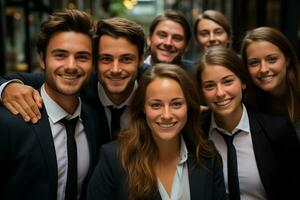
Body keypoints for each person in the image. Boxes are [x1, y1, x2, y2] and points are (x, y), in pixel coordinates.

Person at [0, 9, 108, 200]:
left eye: (82, 57)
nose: (71, 66)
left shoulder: (96, 122)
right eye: (60, 55)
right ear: (42, 59)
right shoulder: (8, 123)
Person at [87, 63, 226, 200]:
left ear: (188, 107)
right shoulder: (114, 158)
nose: (166, 115)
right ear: (143, 108)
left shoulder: (207, 156)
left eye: (176, 104)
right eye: (156, 105)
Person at [0, 17, 145, 140]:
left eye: (126, 59)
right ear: (94, 62)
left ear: (141, 60)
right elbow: (9, 79)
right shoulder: (80, 82)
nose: (115, 70)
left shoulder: (152, 86)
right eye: (106, 59)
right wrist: (7, 88)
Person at [196, 47, 300, 200]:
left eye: (228, 81)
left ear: (243, 82)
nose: (220, 93)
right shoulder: (196, 131)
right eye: (210, 86)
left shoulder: (277, 130)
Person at [240, 26, 300, 139]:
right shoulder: (247, 104)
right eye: (254, 63)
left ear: (287, 60)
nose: (263, 69)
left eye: (272, 59)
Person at [145, 9, 195, 78]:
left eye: (177, 38)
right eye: (162, 35)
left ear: (186, 46)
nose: (168, 43)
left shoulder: (196, 74)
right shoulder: (135, 73)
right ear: (149, 39)